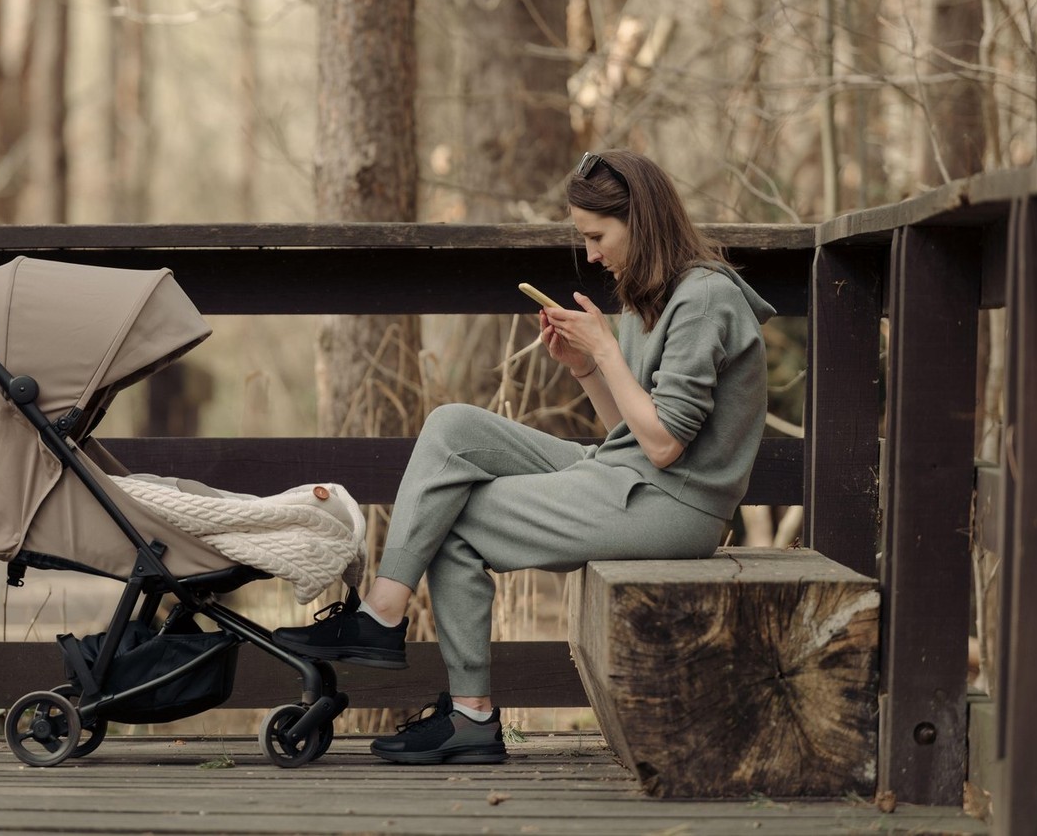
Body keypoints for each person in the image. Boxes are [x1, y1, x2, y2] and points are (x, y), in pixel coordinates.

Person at [273, 149, 776, 765]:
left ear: (641, 221)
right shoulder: (654, 293)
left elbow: (667, 447)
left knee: (455, 520)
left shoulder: (703, 300)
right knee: (451, 426)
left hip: (674, 504)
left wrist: (608, 352)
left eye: (597, 236)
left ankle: (468, 713)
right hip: (630, 474)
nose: (591, 254)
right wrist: (587, 366)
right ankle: (388, 617)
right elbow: (630, 431)